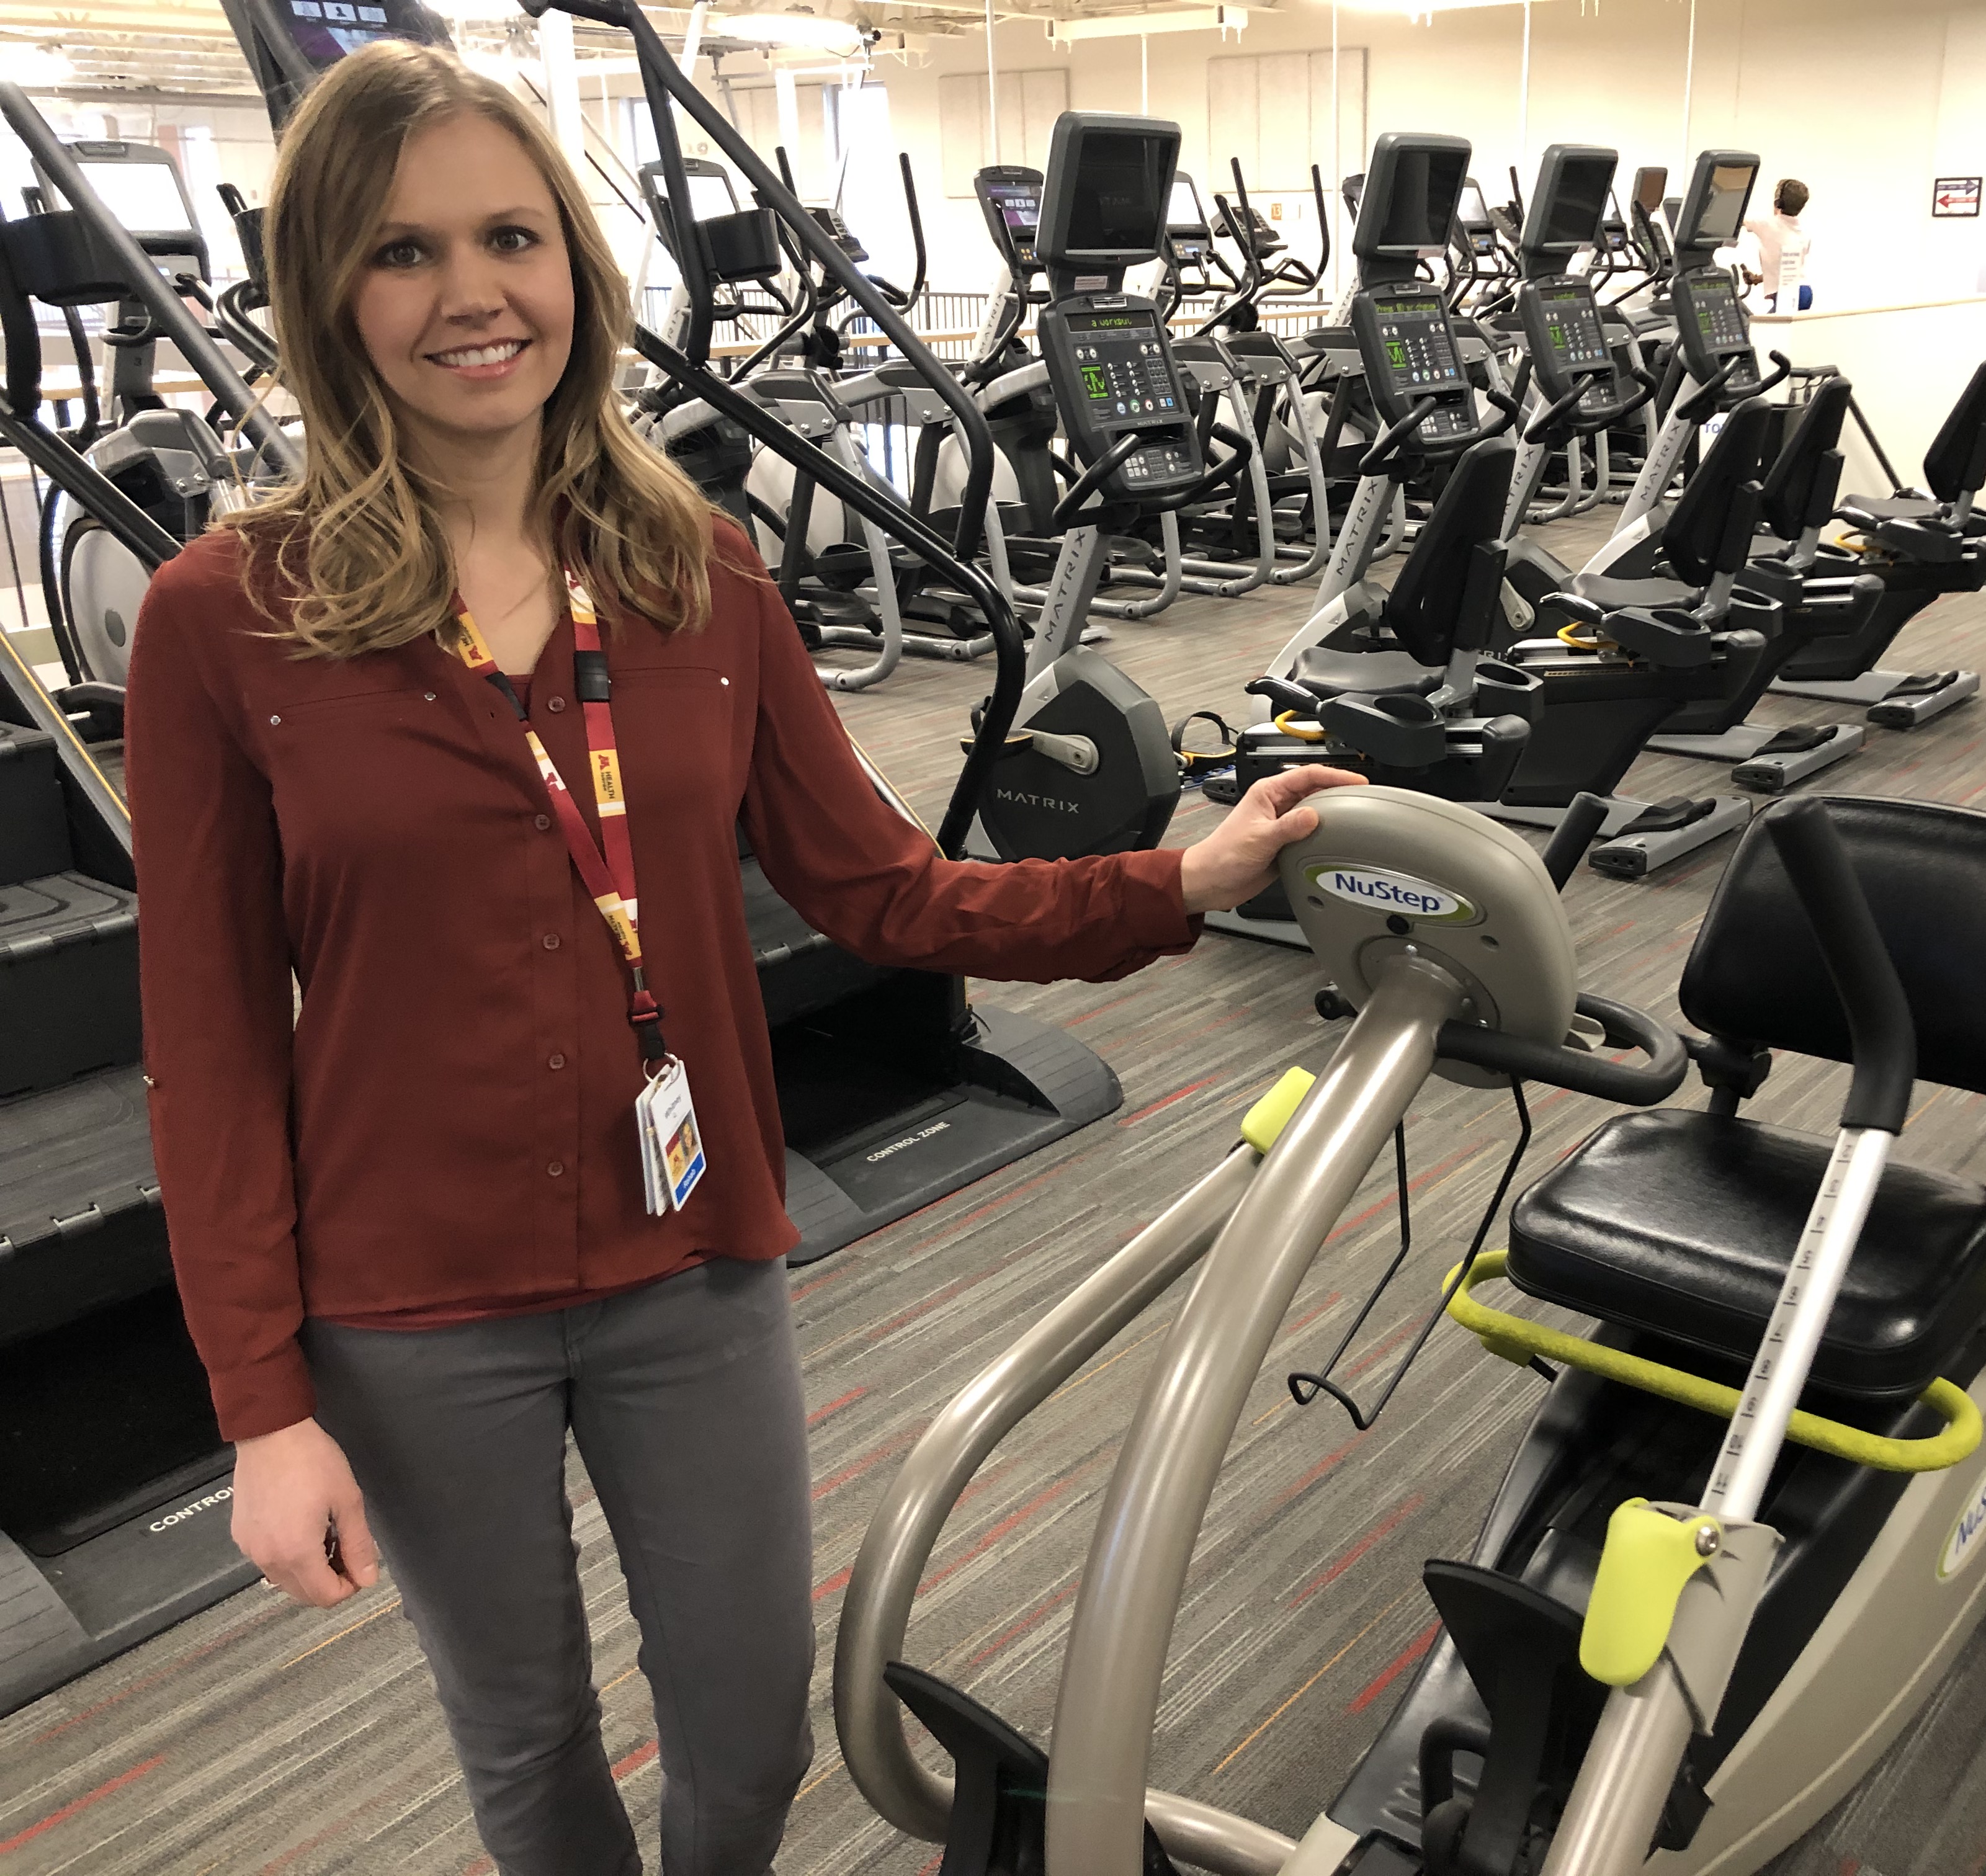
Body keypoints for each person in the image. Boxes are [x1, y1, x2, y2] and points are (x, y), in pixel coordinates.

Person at [123, 42, 1359, 1876]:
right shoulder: (226, 619)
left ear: (577, 274)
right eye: (403, 254)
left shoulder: (702, 580)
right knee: (527, 1737)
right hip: (405, 1309)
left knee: (749, 1721)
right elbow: (212, 1043)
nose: (472, 295)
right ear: (326, 296)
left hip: (690, 1265)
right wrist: (263, 1410)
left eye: (512, 238)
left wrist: (1177, 883)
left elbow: (890, 897)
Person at [1738, 177, 1813, 315]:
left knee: (1764, 332)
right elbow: (1785, 269)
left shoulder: (1767, 224)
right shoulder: (1804, 232)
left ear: (1778, 202)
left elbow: (1736, 219)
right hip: (1804, 292)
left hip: (1788, 295)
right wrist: (1757, 278)